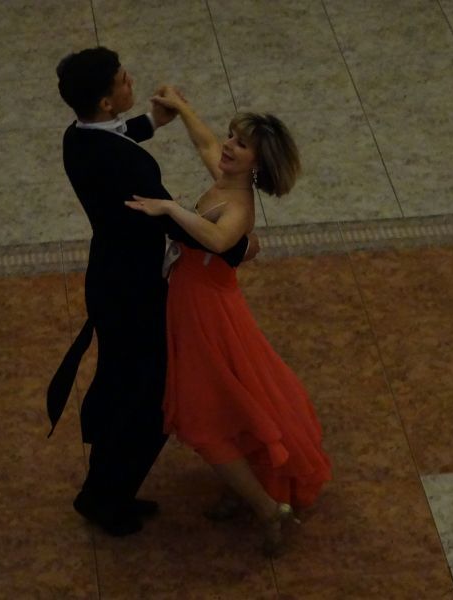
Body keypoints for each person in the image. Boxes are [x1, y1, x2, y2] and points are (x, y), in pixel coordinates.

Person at [46, 47, 257, 537]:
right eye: (123, 80)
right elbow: (172, 220)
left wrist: (152, 122)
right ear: (105, 101)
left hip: (110, 279)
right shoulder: (129, 166)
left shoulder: (77, 139)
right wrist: (237, 247)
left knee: (124, 387)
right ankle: (107, 499)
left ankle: (106, 490)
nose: (131, 82)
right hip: (135, 293)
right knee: (148, 400)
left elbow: (113, 137)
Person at [126, 87, 331, 556]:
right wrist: (182, 108)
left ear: (256, 163)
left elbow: (219, 241)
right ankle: (245, 491)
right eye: (232, 137)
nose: (228, 146)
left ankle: (267, 508)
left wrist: (170, 207)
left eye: (240, 144)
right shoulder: (225, 182)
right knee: (224, 406)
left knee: (201, 419)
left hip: (206, 314)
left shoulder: (238, 208)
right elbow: (204, 143)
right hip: (196, 303)